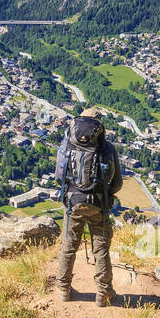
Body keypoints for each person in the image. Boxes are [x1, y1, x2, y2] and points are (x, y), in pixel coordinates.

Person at [54, 107, 122, 307]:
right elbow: (117, 183)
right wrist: (104, 193)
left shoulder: (66, 145)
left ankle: (63, 289)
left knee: (68, 246)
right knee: (100, 249)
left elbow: (59, 177)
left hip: (72, 204)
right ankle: (103, 294)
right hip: (98, 204)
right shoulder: (107, 149)